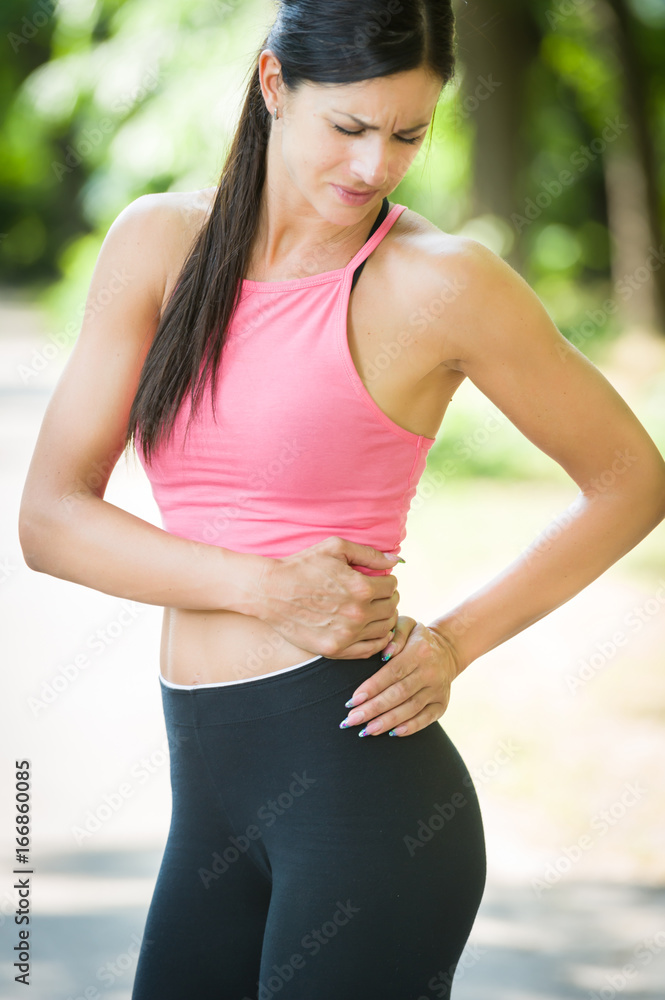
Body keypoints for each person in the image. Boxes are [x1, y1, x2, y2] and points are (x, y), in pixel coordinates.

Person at [17, 1, 665, 998]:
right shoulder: (158, 245)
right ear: (274, 85)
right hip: (210, 804)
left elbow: (629, 478)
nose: (374, 167)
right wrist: (262, 588)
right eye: (350, 128)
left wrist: (452, 640)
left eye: (409, 133)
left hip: (364, 803)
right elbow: (51, 519)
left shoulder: (440, 282)